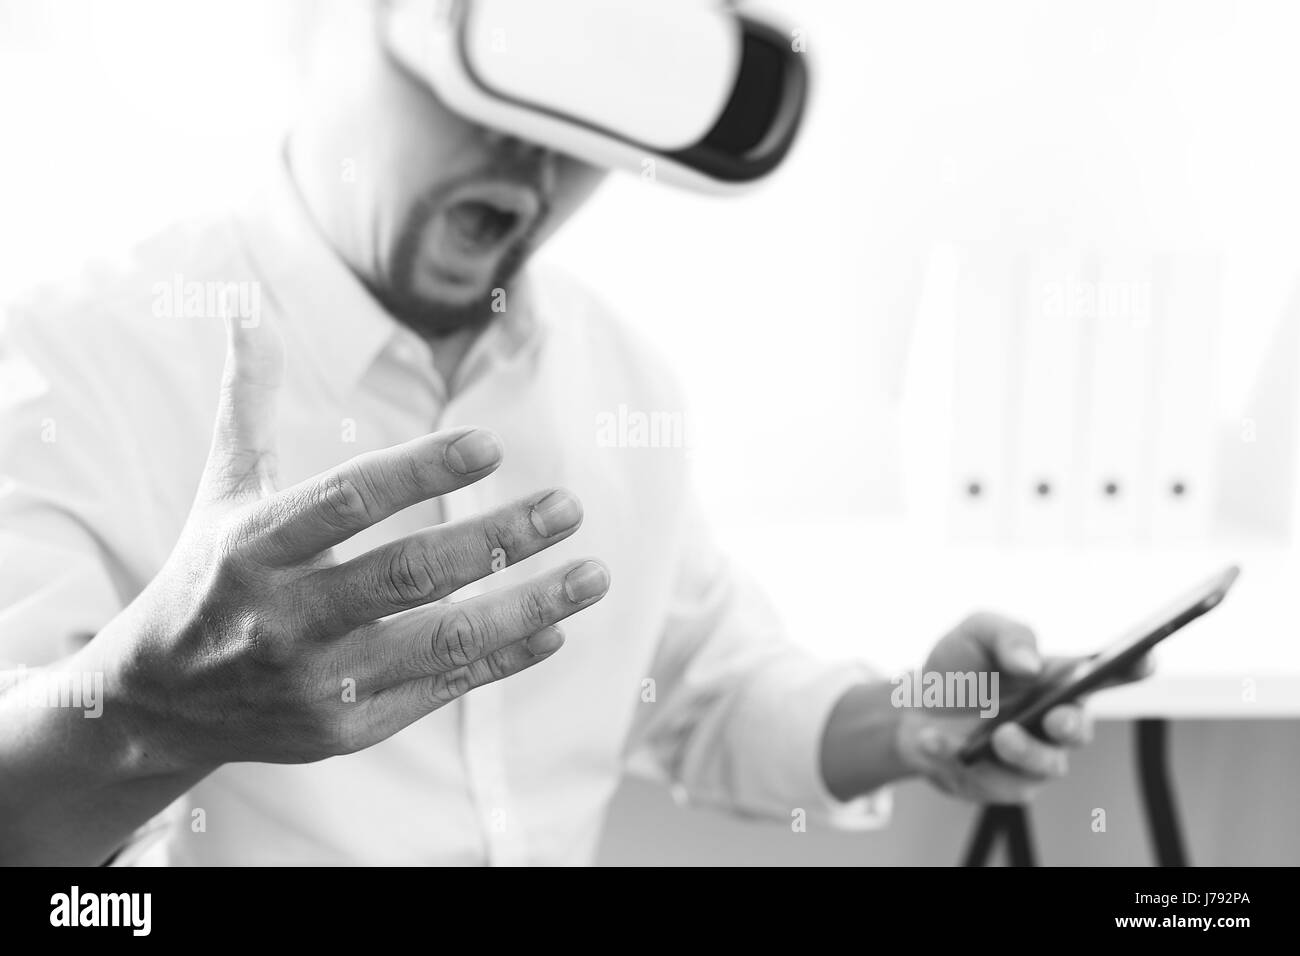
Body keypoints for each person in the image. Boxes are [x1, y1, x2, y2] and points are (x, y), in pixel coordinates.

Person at [0, 0, 1138, 866]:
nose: (533, 159)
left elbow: (711, 686)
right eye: (496, 92)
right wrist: (148, 710)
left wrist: (913, 716)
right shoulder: (73, 360)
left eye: (587, 107)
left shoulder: (619, 380)